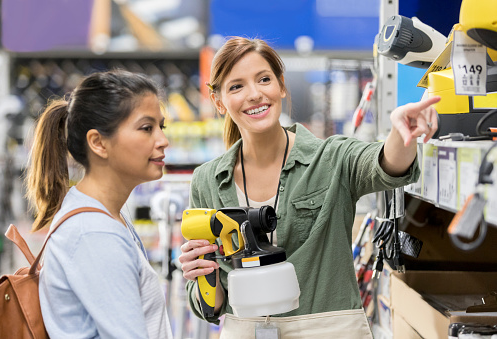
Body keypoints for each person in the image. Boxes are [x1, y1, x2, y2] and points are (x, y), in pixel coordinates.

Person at [178, 37, 440, 338]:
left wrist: (400, 133)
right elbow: (212, 307)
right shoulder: (207, 180)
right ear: (219, 102)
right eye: (236, 86)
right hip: (246, 330)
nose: (254, 94)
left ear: (281, 86)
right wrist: (202, 273)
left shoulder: (331, 159)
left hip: (328, 329)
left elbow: (385, 164)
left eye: (264, 80)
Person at [25, 70, 173, 339]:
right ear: (98, 143)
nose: (163, 141)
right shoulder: (94, 233)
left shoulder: (102, 216)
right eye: (146, 128)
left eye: (161, 127)